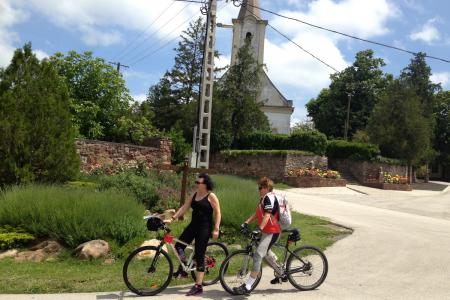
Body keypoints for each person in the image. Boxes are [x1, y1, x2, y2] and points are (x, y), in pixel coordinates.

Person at [168, 173, 221, 296]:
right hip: (193, 226)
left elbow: (218, 212)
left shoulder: (211, 196)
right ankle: (184, 269)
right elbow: (185, 207)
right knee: (179, 246)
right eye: (196, 182)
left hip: (204, 228)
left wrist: (216, 229)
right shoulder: (195, 194)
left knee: (199, 255)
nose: (196, 184)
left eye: (198, 183)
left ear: (205, 184)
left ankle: (198, 286)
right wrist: (173, 218)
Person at [233, 177, 284, 296]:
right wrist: (246, 222)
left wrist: (259, 229)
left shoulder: (269, 197)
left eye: (260, 187)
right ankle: (280, 270)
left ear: (266, 188)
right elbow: (258, 213)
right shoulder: (263, 199)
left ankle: (248, 286)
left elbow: (267, 215)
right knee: (264, 251)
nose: (258, 190)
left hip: (272, 231)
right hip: (267, 231)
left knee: (257, 255)